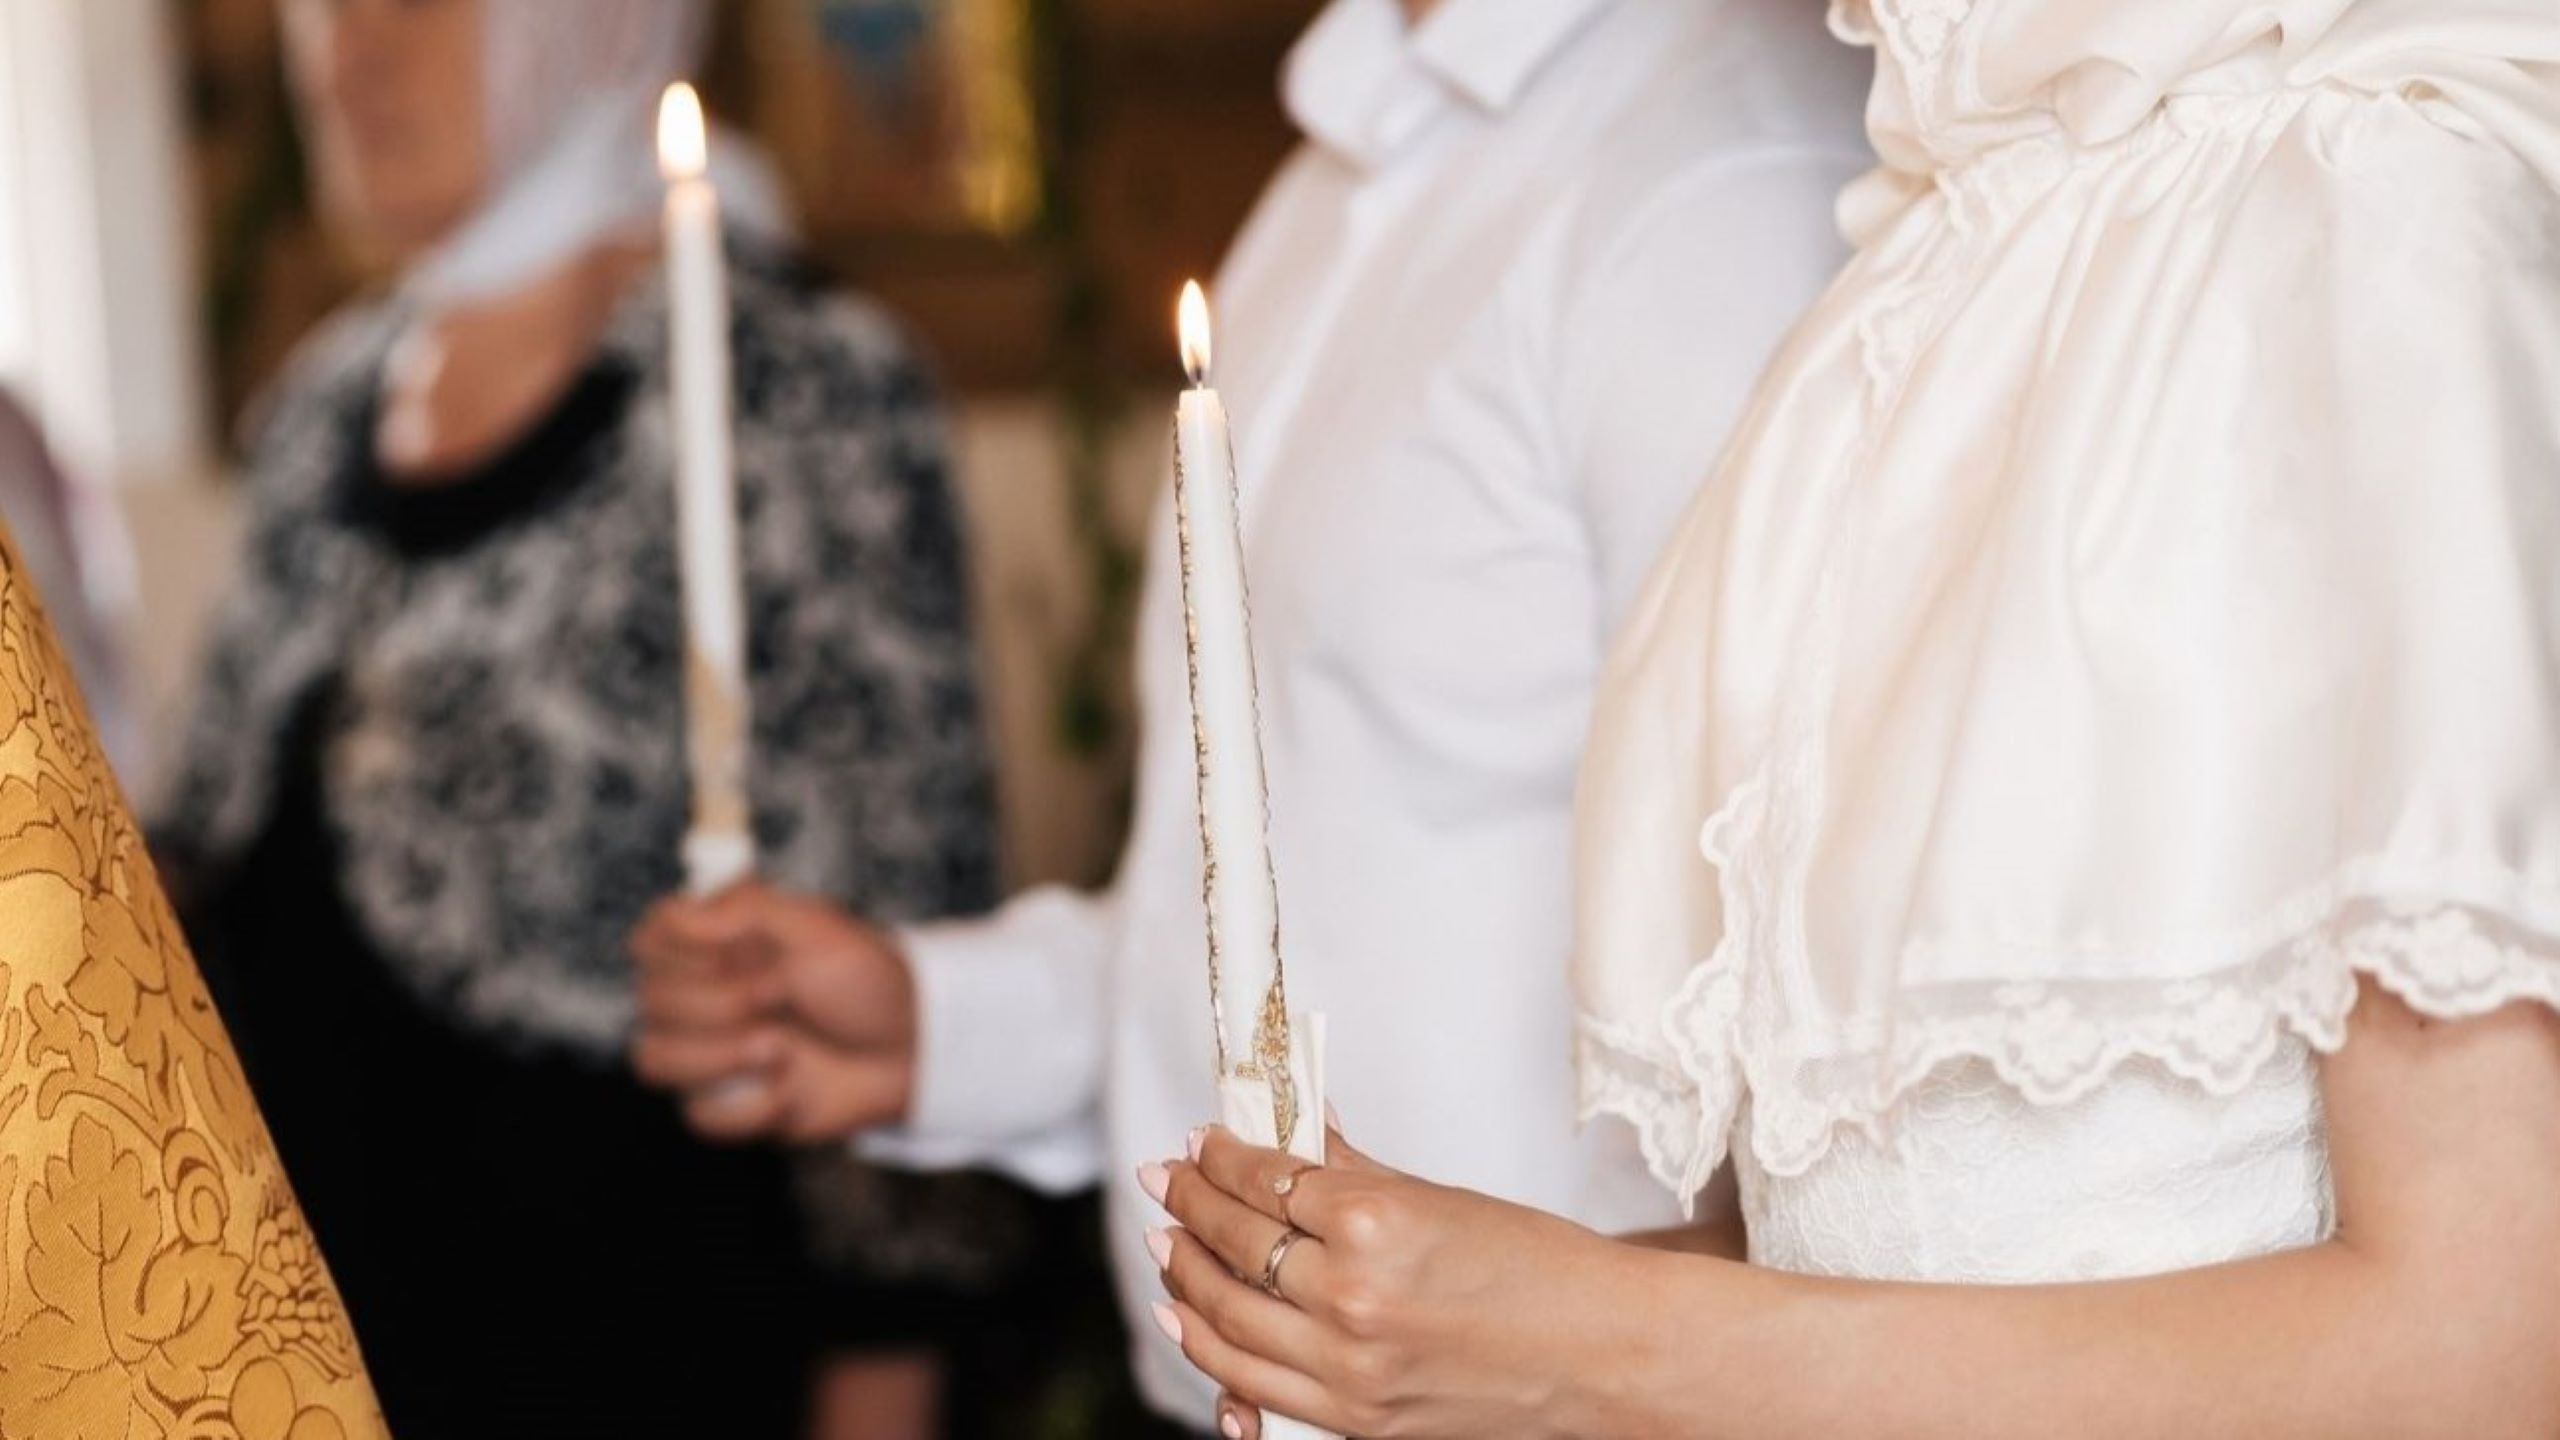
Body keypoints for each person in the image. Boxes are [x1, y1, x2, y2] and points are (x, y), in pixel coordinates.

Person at [1151, 1, 2560, 1435]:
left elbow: (2497, 1353)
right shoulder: (1929, 272)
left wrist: (1583, 1345)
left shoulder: (2384, 211)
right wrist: (1434, 1336)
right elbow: (1897, 1260)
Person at [628, 0, 1873, 1431]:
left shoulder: (1724, 186)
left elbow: (1817, 1044)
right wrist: (936, 1024)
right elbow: (1287, 903)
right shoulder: (1338, 165)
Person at [150, 2, 1017, 1437]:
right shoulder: (322, 406)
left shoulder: (790, 385)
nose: (354, 48)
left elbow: (903, 954)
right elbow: (207, 857)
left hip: (650, 1369)